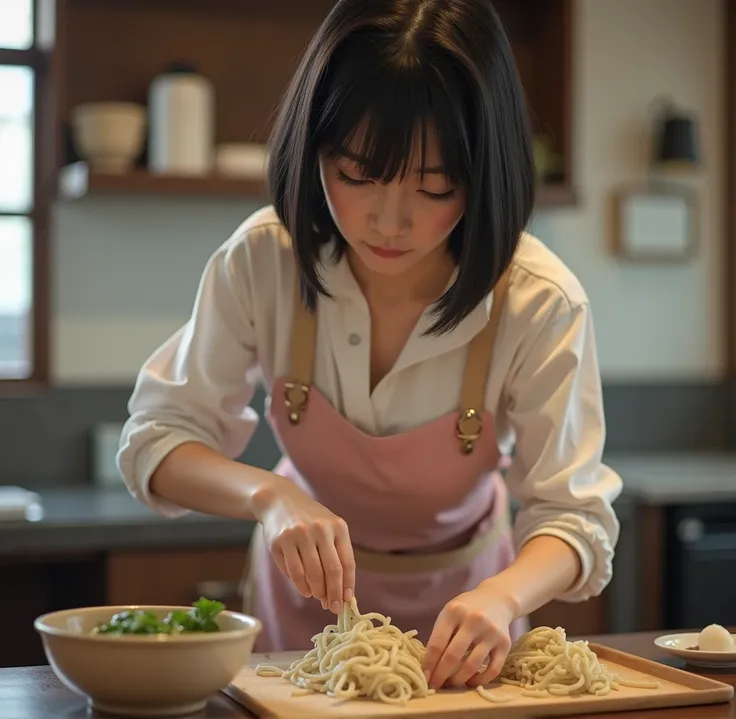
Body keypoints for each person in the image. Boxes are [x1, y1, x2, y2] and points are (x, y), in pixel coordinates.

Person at [117, 0, 622, 691]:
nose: (389, 220)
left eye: (434, 185)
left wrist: (503, 597)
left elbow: (576, 518)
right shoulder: (265, 260)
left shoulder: (537, 300)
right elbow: (155, 441)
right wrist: (272, 496)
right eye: (357, 175)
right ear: (313, 146)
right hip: (300, 624)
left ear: (485, 170)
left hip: (469, 622)